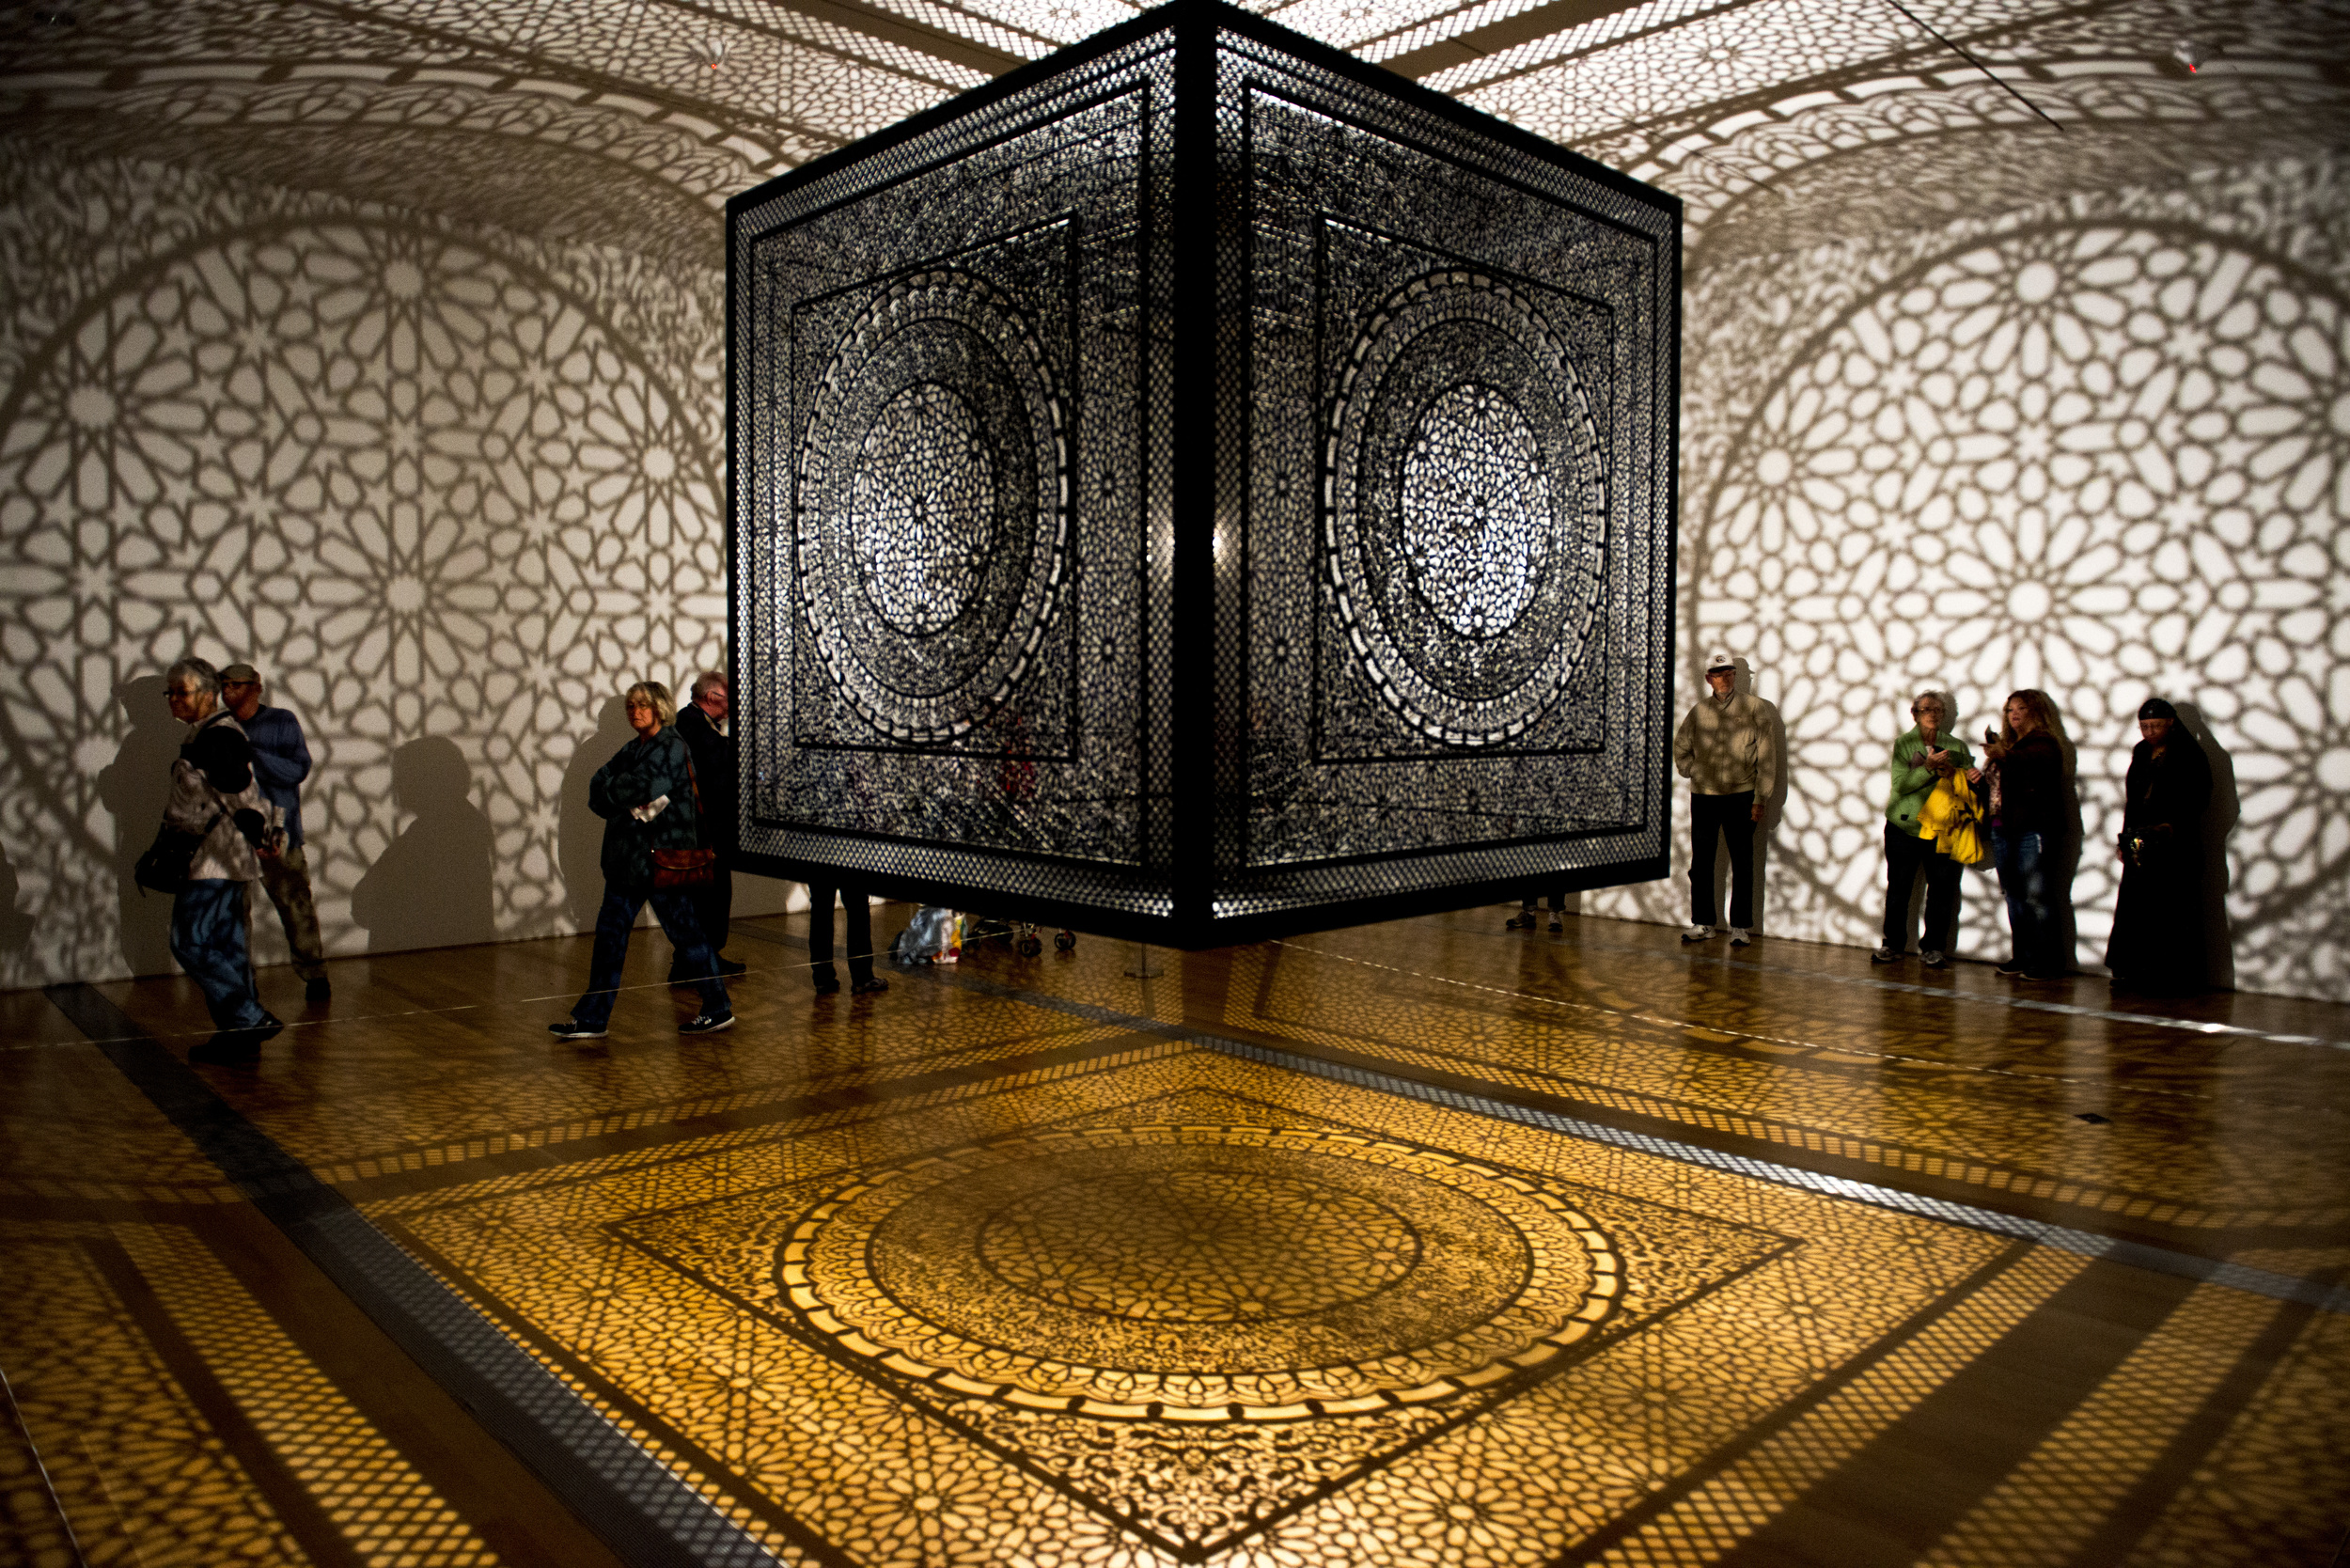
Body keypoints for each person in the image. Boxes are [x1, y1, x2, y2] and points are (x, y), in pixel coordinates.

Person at [549, 682, 733, 1040]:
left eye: (643, 705)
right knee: (610, 939)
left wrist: (618, 789)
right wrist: (619, 791)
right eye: (631, 705)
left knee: (689, 938)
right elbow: (597, 791)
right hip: (628, 865)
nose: (635, 711)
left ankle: (717, 1006)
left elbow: (636, 788)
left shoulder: (672, 747)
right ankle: (593, 1017)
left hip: (660, 863)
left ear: (660, 708)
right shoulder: (632, 748)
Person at [160, 657, 282, 1060]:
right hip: (223, 860)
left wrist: (260, 836)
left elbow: (240, 795)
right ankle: (239, 1039)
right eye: (171, 692)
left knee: (189, 941)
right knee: (229, 949)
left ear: (209, 695)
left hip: (214, 863)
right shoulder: (207, 735)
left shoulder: (218, 738)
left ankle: (248, 1018)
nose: (174, 700)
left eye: (182, 691)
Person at [220, 662, 329, 1004]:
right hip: (233, 834)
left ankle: (314, 974)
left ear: (256, 687)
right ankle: (241, 982)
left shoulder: (281, 721)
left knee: (295, 905)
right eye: (223, 685)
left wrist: (251, 754)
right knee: (234, 912)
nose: (228, 692)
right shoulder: (218, 726)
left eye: (235, 685)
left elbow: (297, 768)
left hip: (277, 833)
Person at [2105, 698, 2213, 996]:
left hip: (2175, 844)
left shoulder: (2190, 754)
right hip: (2141, 839)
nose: (2150, 732)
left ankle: (2170, 976)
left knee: (2171, 909)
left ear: (2171, 724)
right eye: (2144, 727)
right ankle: (2133, 970)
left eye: (2155, 726)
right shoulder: (2141, 752)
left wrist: (2171, 826)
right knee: (2135, 907)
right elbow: (2134, 799)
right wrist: (2126, 839)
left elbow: (2198, 799)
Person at [1671, 649, 1778, 947]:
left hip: (1741, 796)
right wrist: (1692, 770)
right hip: (1704, 797)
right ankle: (1703, 922)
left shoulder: (1756, 708)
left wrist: (1761, 797)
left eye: (1730, 672)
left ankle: (1741, 927)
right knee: (1701, 862)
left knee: (1743, 862)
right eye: (1719, 674)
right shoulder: (1699, 711)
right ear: (1709, 678)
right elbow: (1681, 746)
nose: (1725, 678)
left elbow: (1767, 756)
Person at [1970, 689, 2069, 980]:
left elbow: (2034, 767)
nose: (2014, 714)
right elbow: (1998, 790)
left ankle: (2048, 960)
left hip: (2032, 828)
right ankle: (2024, 956)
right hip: (2003, 828)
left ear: (2036, 712)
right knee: (2014, 895)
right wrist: (1977, 780)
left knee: (2037, 895)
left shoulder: (2044, 744)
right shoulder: (2009, 747)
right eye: (2010, 709)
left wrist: (2005, 756)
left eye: (2021, 708)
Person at [1872, 689, 1972, 968]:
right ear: (1914, 714)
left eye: (1938, 710)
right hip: (1905, 826)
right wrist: (1927, 768)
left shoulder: (1956, 746)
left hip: (1942, 828)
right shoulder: (1904, 744)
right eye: (1927, 710)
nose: (1933, 715)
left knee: (1941, 889)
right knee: (1899, 888)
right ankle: (1892, 944)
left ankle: (1934, 948)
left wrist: (1964, 775)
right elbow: (1901, 785)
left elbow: (1967, 788)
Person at [670, 670, 745, 983]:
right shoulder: (694, 728)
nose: (734, 706)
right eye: (729, 698)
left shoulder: (695, 726)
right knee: (708, 898)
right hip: (706, 831)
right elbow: (718, 773)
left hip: (707, 829)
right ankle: (699, 962)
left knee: (708, 898)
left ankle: (699, 960)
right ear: (712, 698)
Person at [807, 880, 887, 996]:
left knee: (821, 909)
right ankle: (862, 978)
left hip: (819, 863)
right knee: (857, 905)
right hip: (848, 863)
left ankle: (823, 979)